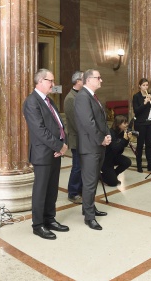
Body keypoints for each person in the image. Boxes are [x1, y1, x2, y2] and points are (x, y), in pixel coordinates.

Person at [23, 69, 71, 240]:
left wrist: (63, 143)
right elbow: (40, 130)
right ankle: (38, 225)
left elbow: (58, 125)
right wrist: (60, 146)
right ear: (40, 81)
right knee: (41, 190)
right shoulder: (32, 102)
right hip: (43, 153)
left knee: (52, 189)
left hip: (55, 152)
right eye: (50, 81)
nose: (53, 84)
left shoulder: (49, 101)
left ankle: (50, 219)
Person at [75, 69, 112, 230]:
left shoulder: (93, 97)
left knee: (94, 180)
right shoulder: (83, 97)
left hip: (98, 145)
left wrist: (108, 135)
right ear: (89, 80)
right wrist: (100, 138)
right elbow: (88, 123)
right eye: (98, 78)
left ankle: (89, 207)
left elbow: (102, 120)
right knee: (89, 182)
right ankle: (89, 217)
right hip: (90, 146)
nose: (101, 80)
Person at [64, 70, 84, 204]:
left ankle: (81, 189)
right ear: (77, 82)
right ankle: (72, 192)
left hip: (84, 138)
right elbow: (74, 121)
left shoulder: (82, 95)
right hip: (77, 137)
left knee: (83, 166)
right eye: (84, 79)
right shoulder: (70, 98)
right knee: (77, 166)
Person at [132, 78, 151, 173]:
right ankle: (139, 165)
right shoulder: (136, 97)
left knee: (149, 145)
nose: (145, 87)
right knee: (140, 145)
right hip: (140, 124)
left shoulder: (149, 95)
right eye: (143, 85)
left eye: (147, 85)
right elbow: (136, 111)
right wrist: (144, 103)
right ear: (139, 86)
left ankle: (150, 165)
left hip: (149, 123)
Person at [101, 115, 132, 186]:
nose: (126, 124)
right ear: (118, 124)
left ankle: (113, 175)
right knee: (113, 183)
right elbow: (115, 148)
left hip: (114, 157)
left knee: (127, 162)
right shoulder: (111, 133)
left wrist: (127, 139)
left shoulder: (121, 133)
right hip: (106, 160)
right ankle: (101, 176)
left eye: (126, 122)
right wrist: (124, 139)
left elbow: (122, 146)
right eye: (124, 123)